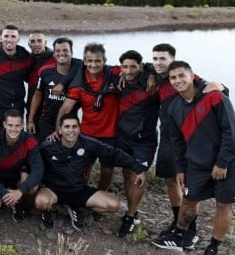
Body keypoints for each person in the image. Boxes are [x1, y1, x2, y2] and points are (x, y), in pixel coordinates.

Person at [151, 61, 235, 255]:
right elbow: (176, 142)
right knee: (189, 201)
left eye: (181, 76)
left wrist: (222, 163)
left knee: (223, 206)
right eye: (173, 78)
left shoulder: (215, 96)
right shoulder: (174, 107)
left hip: (227, 163)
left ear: (192, 75)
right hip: (197, 163)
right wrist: (180, 169)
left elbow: (231, 132)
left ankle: (213, 248)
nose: (178, 81)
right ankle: (181, 234)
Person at [35, 114, 148, 231]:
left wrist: (139, 168)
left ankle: (75, 208)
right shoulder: (48, 145)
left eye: (74, 127)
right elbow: (32, 159)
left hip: (78, 190)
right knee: (41, 202)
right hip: (54, 190)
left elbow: (113, 153)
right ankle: (48, 212)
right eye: (67, 127)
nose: (71, 130)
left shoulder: (87, 143)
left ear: (79, 128)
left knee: (113, 205)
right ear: (60, 129)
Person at [56, 43, 122, 193]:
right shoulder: (79, 84)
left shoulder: (114, 72)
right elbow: (65, 108)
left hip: (110, 135)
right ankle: (81, 194)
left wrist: (150, 75)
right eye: (90, 61)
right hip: (87, 134)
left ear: (105, 61)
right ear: (85, 61)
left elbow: (136, 66)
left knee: (106, 170)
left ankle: (101, 194)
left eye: (98, 61)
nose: (94, 65)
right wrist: (59, 130)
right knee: (84, 167)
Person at [115, 50, 160, 237]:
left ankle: (130, 215)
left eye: (133, 66)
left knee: (138, 176)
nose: (129, 70)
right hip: (123, 137)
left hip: (145, 141)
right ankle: (133, 209)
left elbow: (160, 67)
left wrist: (151, 73)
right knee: (127, 173)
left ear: (140, 67)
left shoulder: (151, 83)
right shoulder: (119, 81)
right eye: (125, 66)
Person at [0, 109, 42, 223]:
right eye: (10, 125)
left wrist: (20, 191)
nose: (14, 129)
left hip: (17, 178)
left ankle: (18, 202)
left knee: (33, 187)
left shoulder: (30, 141)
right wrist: (3, 192)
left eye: (17, 125)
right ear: (4, 124)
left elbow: (38, 169)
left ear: (22, 125)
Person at [0, 24, 32, 137]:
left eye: (13, 37)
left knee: (14, 145)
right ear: (1, 38)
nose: (9, 39)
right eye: (6, 36)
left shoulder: (25, 56)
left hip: (15, 109)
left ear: (18, 39)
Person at [27, 37, 81, 141]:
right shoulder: (45, 72)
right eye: (58, 51)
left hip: (68, 126)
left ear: (72, 52)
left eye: (65, 50)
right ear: (54, 53)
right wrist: (30, 120)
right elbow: (37, 95)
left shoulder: (80, 72)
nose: (61, 53)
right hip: (46, 124)